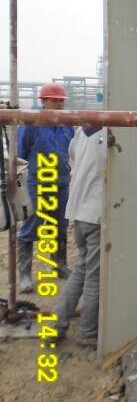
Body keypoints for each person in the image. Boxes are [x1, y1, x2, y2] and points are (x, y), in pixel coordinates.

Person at [17, 82, 74, 292]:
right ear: (43, 101)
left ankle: (59, 265)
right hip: (38, 184)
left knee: (60, 225)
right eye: (55, 100)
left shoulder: (67, 125)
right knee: (31, 225)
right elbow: (21, 155)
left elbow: (71, 151)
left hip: (62, 183)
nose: (59, 104)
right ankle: (24, 274)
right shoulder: (31, 124)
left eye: (61, 100)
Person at [53, 125, 106, 347]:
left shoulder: (81, 132)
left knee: (81, 270)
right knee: (94, 277)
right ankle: (87, 332)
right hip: (95, 214)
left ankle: (57, 324)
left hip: (78, 212)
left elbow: (73, 153)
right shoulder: (110, 133)